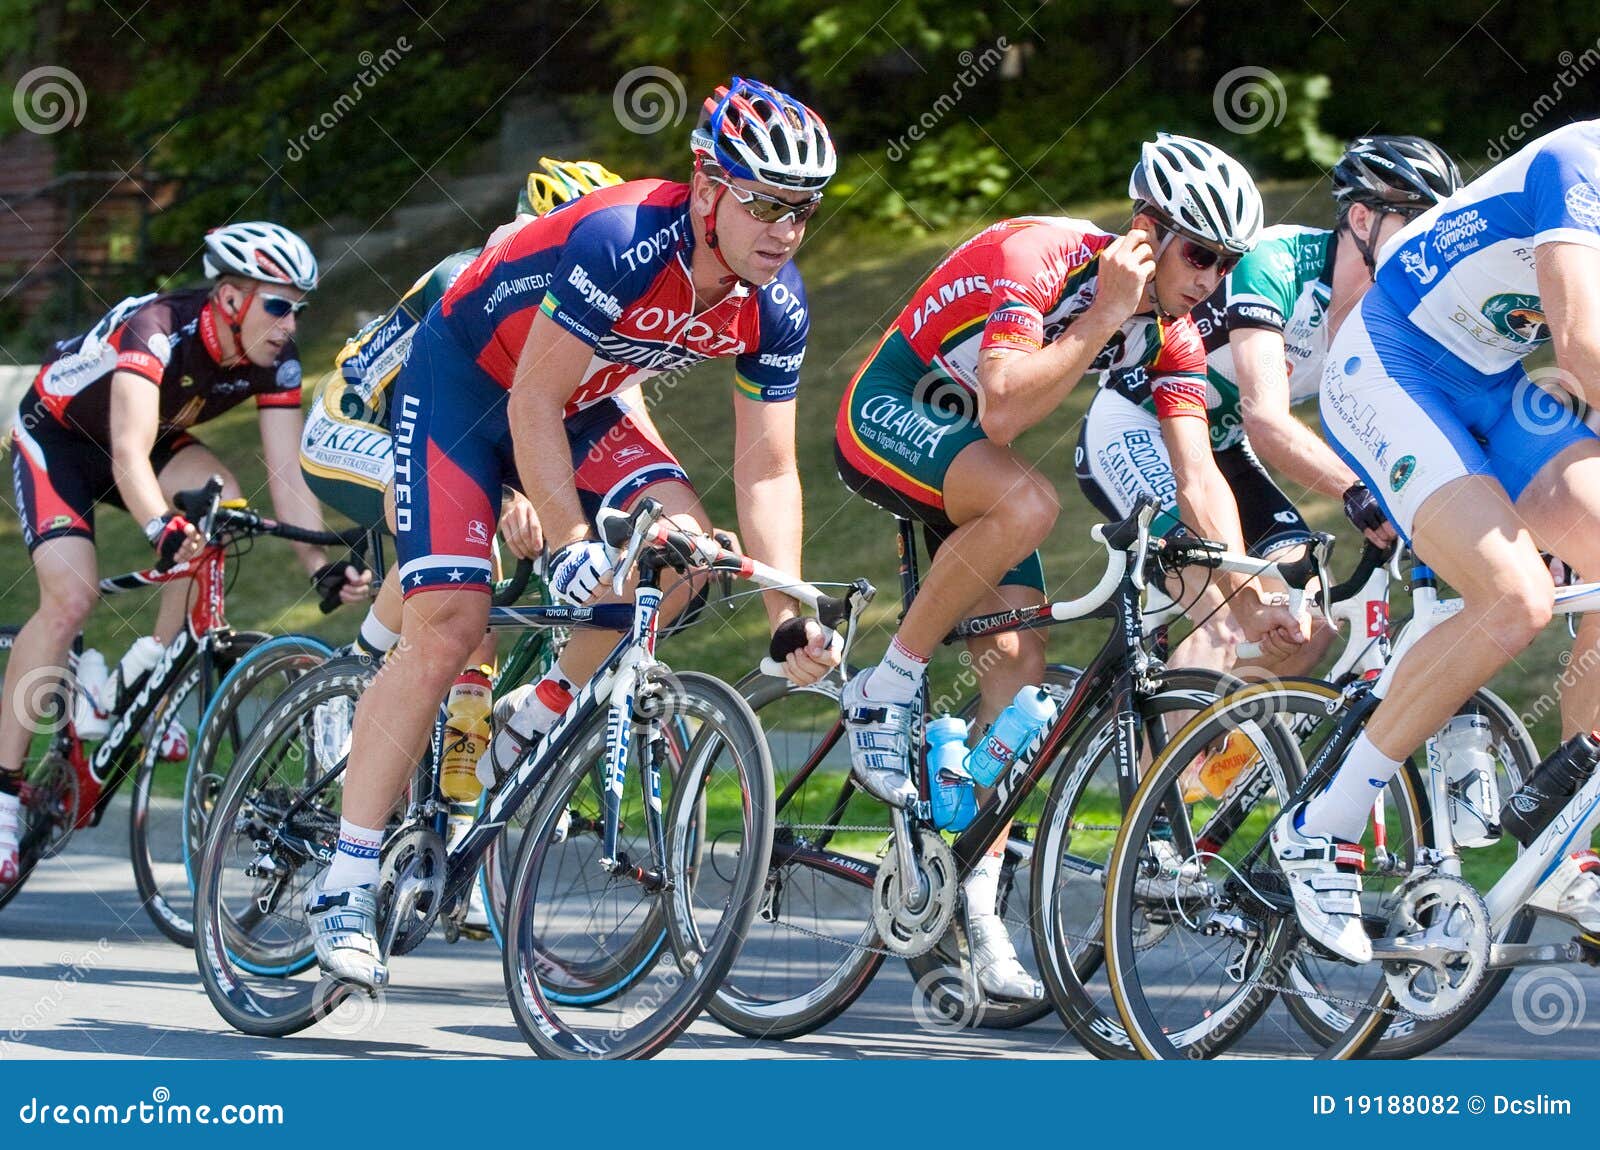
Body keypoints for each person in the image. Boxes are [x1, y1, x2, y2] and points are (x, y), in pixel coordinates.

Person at [306, 78, 843, 992]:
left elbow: (766, 469)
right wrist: (567, 540)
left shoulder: (773, 304)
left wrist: (786, 612)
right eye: (764, 204)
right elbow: (529, 400)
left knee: (683, 563)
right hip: (469, 384)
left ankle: (541, 709)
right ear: (707, 186)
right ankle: (347, 881)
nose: (784, 230)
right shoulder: (624, 240)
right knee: (450, 622)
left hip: (583, 404)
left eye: (802, 210)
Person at [833, 132, 1304, 998]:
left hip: (965, 453)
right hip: (890, 410)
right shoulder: (1038, 258)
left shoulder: (1173, 333)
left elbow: (1197, 475)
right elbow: (1007, 412)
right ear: (1147, 232)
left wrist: (1251, 587)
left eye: (1225, 264)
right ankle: (888, 681)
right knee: (1029, 502)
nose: (1208, 281)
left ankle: (972, 904)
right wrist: (1100, 316)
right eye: (1197, 254)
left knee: (1020, 674)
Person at [1290, 119, 1600, 962]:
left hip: (1496, 384)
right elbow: (1583, 352)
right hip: (1393, 365)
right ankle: (1325, 825)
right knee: (1514, 598)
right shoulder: (1581, 164)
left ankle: (1575, 846)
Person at [0, 222, 370, 889]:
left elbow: (285, 478)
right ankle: (2, 794)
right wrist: (159, 530)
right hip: (59, 436)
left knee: (221, 506)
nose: (290, 324)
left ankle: (147, 670)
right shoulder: (156, 328)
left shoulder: (273, 359)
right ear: (230, 299)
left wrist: (321, 567)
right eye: (278, 306)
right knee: (71, 598)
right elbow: (127, 452)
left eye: (299, 309)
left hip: (145, 443)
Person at [1077, 135, 1461, 680]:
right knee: (1225, 607)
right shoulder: (1277, 262)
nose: (1430, 241)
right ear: (1360, 218)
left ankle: (1228, 758)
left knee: (1305, 624)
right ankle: (1166, 766)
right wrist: (1357, 492)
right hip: (1135, 424)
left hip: (1221, 446)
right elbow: (1266, 420)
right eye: (1415, 220)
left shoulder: (1391, 311)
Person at [299, 158, 630, 662]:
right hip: (354, 417)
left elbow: (615, 416)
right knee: (457, 516)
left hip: (442, 437)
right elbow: (454, 406)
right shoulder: (466, 276)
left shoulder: (592, 307)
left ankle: (472, 713)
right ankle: (353, 672)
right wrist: (506, 495)